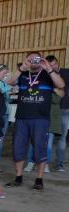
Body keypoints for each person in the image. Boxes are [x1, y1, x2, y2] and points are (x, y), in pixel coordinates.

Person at [6, 52, 65, 191]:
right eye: (30, 59)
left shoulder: (47, 74)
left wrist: (49, 68)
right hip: (22, 118)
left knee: (40, 148)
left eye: (36, 58)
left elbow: (61, 84)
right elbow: (9, 81)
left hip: (40, 119)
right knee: (18, 148)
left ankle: (39, 180)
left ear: (41, 60)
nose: (34, 61)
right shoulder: (23, 74)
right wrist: (22, 67)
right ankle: (18, 177)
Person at [47, 56, 69, 172]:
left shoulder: (66, 73)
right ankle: (43, 162)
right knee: (48, 137)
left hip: (65, 109)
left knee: (62, 137)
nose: (53, 67)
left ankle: (59, 163)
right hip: (51, 110)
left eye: (54, 64)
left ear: (58, 63)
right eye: (50, 65)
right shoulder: (46, 75)